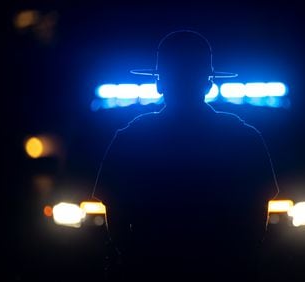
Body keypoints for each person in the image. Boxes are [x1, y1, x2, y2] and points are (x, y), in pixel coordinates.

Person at [94, 30, 278, 282]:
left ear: (159, 83)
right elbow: (258, 210)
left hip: (150, 267)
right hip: (223, 268)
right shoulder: (243, 137)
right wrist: (242, 259)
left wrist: (130, 257)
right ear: (208, 83)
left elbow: (113, 206)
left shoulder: (132, 136)